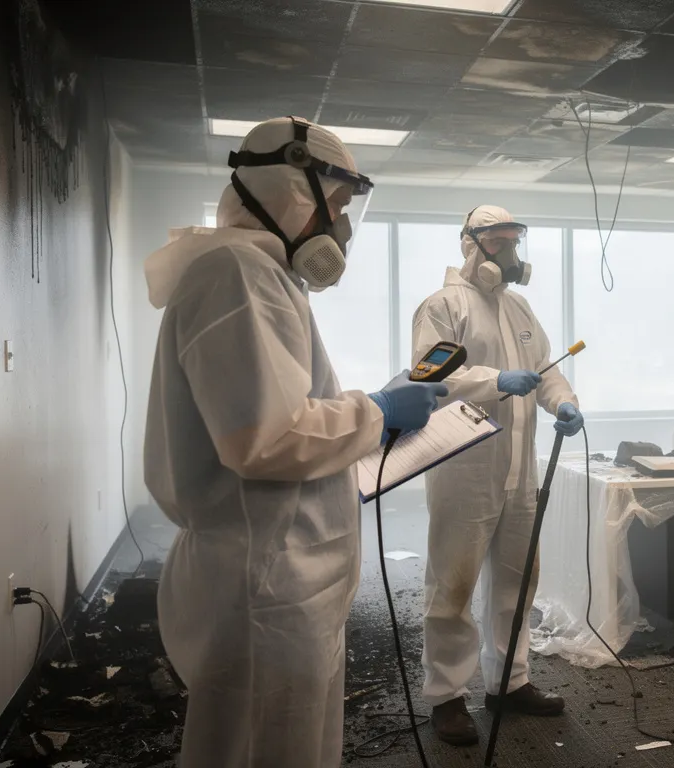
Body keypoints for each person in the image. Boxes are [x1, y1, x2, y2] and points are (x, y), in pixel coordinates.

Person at [143, 116, 447, 768]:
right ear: (289, 191)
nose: (338, 228)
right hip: (268, 586)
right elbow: (265, 438)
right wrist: (379, 411)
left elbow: (274, 413)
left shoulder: (256, 276)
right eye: (333, 206)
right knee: (267, 752)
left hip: (276, 578)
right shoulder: (236, 274)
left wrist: (367, 407)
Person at [411, 205, 585, 746]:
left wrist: (564, 402)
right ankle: (446, 697)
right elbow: (431, 375)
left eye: (515, 239)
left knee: (516, 580)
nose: (511, 252)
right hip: (464, 468)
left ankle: (509, 683)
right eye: (500, 241)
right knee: (453, 585)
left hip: (518, 471)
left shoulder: (520, 307)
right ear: (473, 245)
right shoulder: (442, 306)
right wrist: (495, 381)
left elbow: (548, 372)